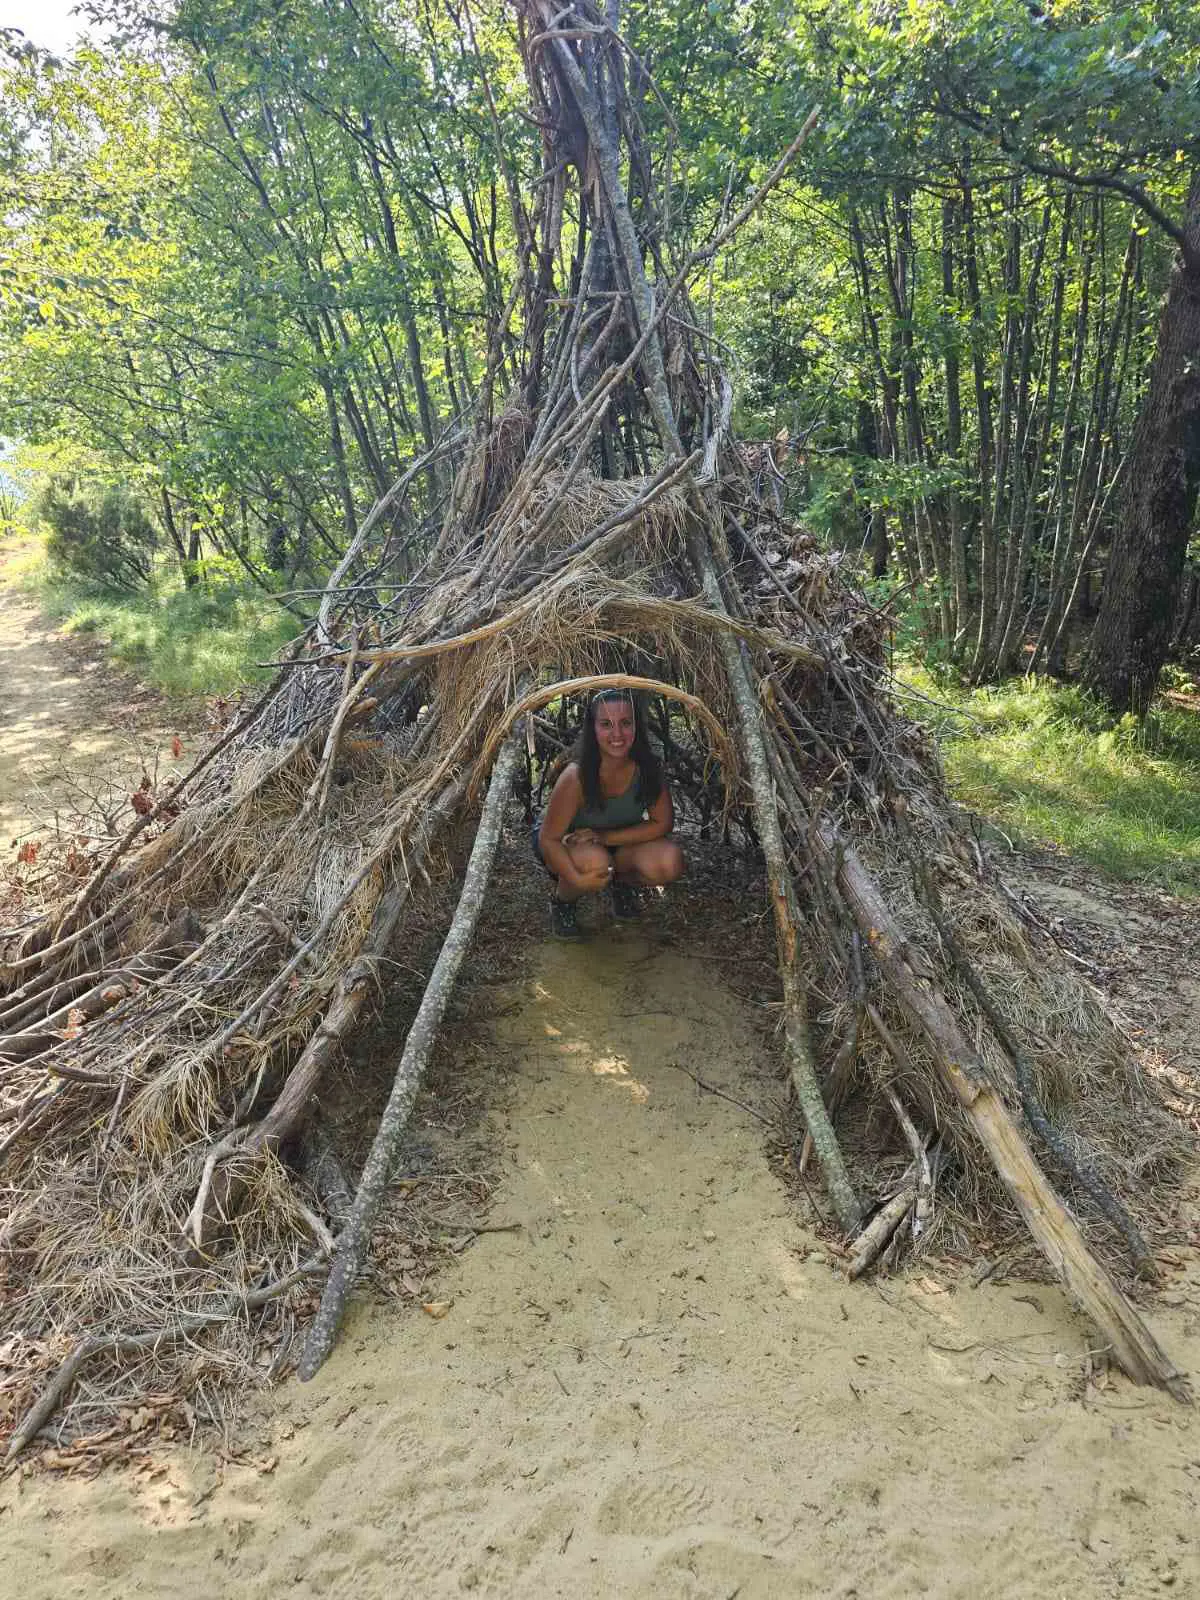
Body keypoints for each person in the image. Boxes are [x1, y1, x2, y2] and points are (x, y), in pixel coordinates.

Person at [533, 689, 685, 938]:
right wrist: (578, 880)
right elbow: (548, 839)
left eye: (625, 723)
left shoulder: (646, 768)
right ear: (593, 729)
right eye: (606, 724)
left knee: (669, 861)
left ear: (636, 727)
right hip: (566, 844)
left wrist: (603, 837)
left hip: (615, 841)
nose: (617, 734)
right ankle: (563, 902)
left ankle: (620, 885)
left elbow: (662, 823)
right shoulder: (576, 776)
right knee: (594, 862)